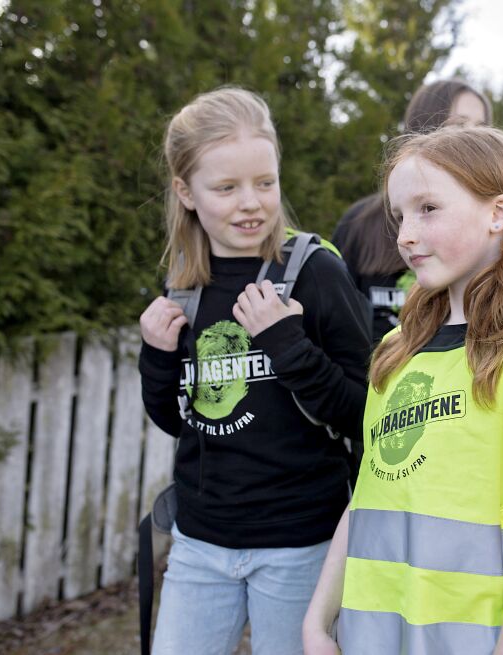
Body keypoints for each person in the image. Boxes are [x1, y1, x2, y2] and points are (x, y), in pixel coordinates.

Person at [302, 125, 503, 654]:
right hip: (374, 638)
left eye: (428, 209)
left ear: (497, 213)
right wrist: (318, 621)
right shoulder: (393, 348)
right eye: (400, 216)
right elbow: (369, 496)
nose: (405, 235)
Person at [138, 87, 371, 655]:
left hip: (301, 544)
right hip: (199, 542)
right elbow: (178, 421)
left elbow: (366, 411)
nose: (251, 203)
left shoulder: (314, 273)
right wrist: (157, 356)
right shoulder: (183, 285)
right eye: (226, 188)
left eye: (265, 183)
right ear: (185, 192)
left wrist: (287, 344)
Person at [332, 78, 492, 341]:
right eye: (459, 125)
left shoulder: (491, 219)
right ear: (424, 126)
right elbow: (335, 322)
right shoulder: (359, 223)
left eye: (482, 128)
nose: (473, 138)